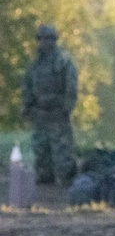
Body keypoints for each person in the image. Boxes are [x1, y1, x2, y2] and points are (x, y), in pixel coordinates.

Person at [21, 24, 78, 185]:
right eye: (41, 39)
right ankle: (45, 176)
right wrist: (27, 107)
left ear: (54, 41)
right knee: (41, 148)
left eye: (48, 39)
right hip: (40, 112)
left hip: (58, 112)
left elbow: (71, 86)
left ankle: (66, 177)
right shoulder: (35, 64)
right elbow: (28, 86)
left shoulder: (63, 61)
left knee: (62, 149)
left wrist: (66, 108)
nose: (44, 42)